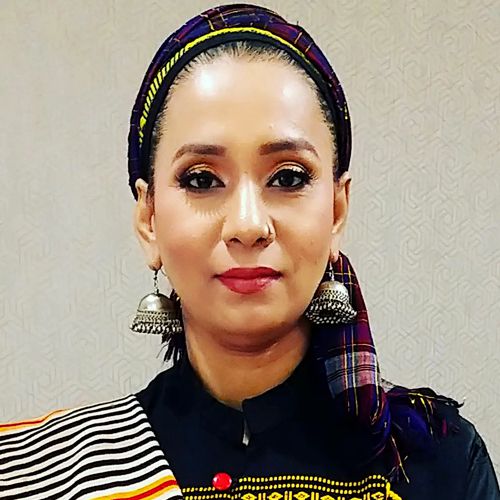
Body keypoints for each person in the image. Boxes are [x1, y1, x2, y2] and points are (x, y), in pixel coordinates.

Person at [0, 4, 498, 499]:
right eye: (201, 180)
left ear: (337, 211)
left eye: (288, 177)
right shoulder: (42, 473)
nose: (247, 225)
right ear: (148, 219)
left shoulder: (437, 463)